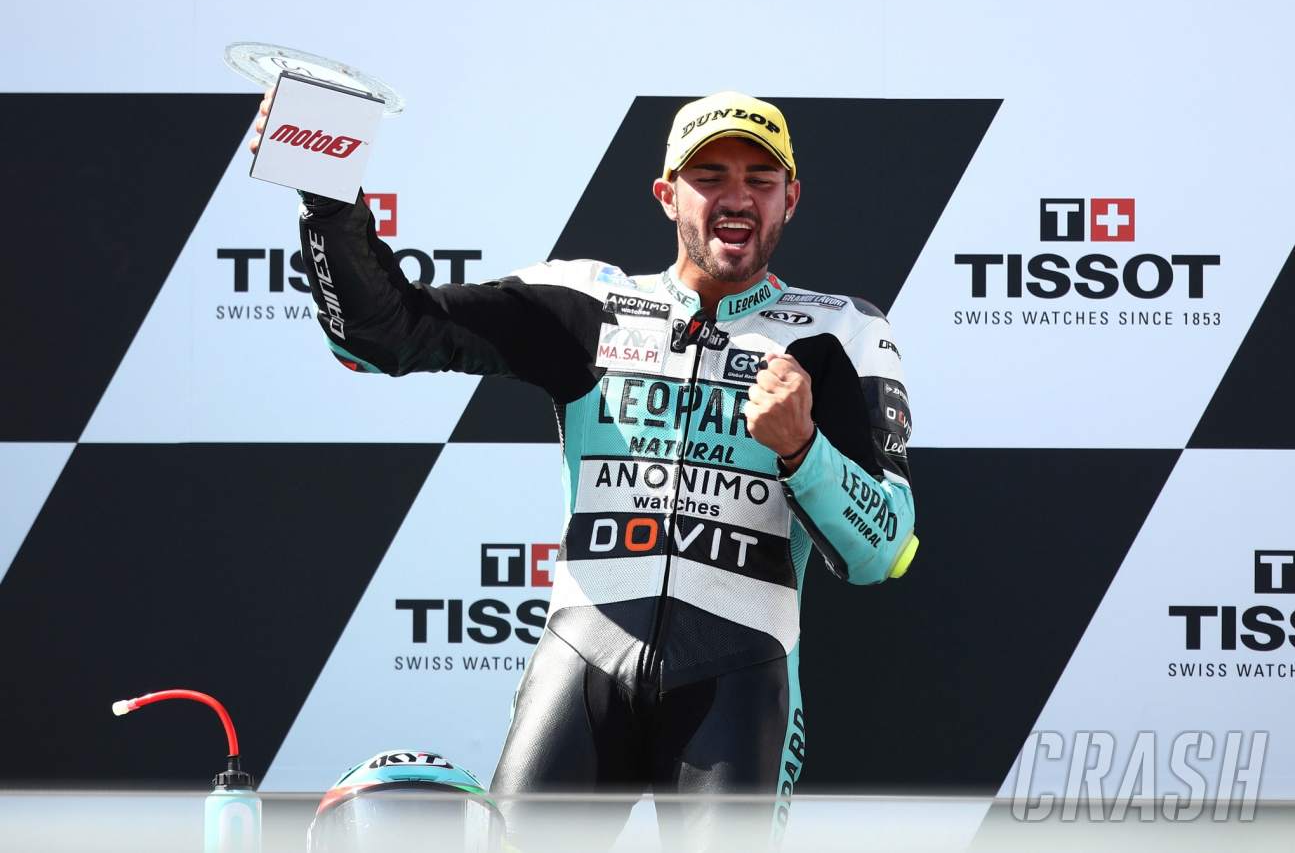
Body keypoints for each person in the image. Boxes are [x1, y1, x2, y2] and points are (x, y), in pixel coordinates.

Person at [251, 90, 918, 852]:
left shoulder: (839, 333)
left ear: (790, 199)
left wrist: (804, 450)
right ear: (667, 195)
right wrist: (327, 195)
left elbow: (886, 550)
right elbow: (384, 332)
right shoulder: (589, 304)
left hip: (742, 674)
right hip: (583, 657)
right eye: (710, 177)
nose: (736, 198)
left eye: (759, 180)